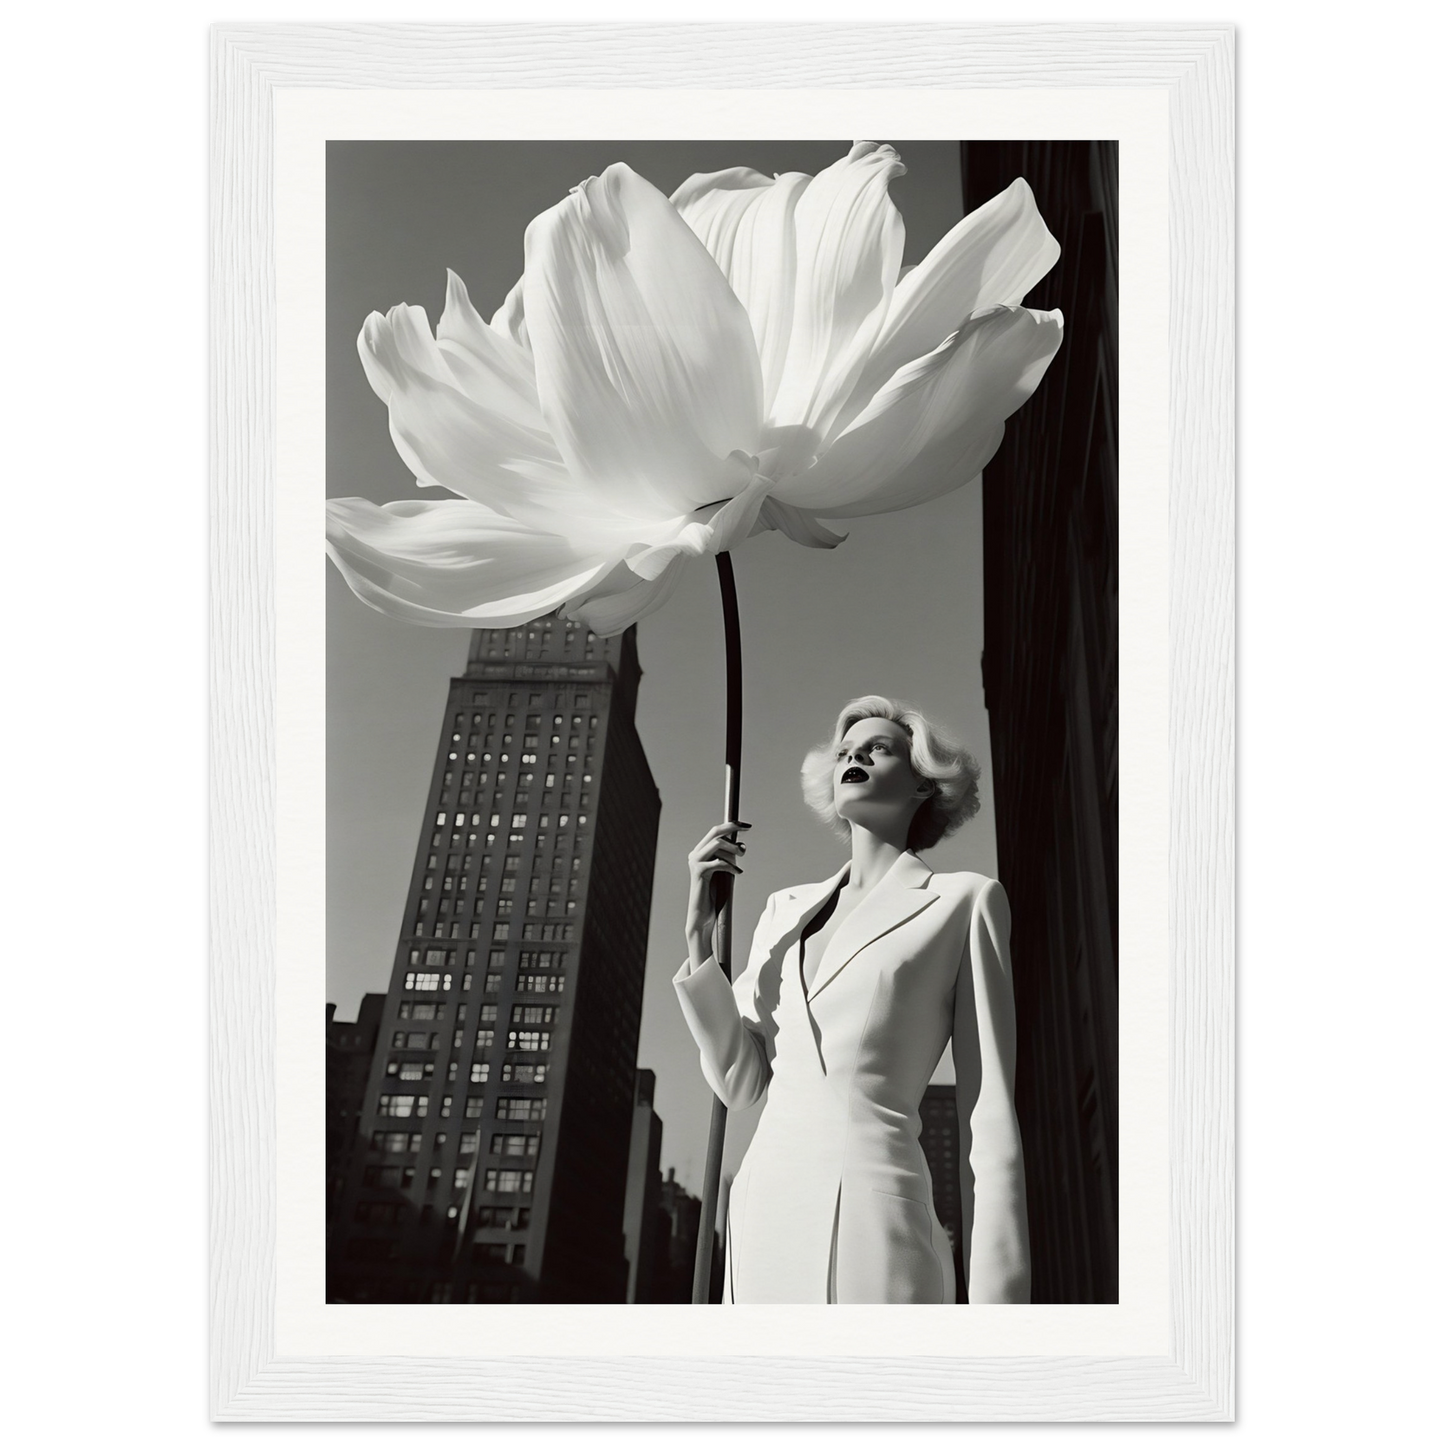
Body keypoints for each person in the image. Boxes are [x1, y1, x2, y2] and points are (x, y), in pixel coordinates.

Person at [674, 695, 1029, 1304]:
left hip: (877, 1228)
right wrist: (698, 941)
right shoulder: (783, 910)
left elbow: (988, 1119)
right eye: (844, 751)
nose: (854, 757)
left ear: (923, 784)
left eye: (877, 748)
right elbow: (741, 1083)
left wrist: (1000, 1316)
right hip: (761, 1222)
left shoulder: (965, 902)